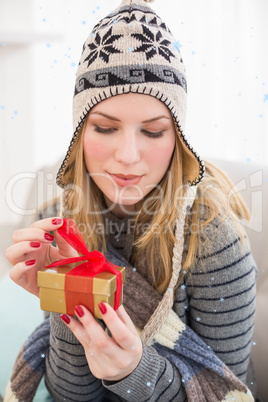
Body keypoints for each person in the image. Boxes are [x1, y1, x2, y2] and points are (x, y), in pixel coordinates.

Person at [4, 0, 257, 401]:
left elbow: (227, 393)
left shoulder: (215, 240)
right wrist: (63, 304)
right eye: (105, 127)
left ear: (179, 141)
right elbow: (70, 396)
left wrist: (136, 372)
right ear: (78, 133)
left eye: (153, 132)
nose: (127, 155)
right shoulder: (59, 222)